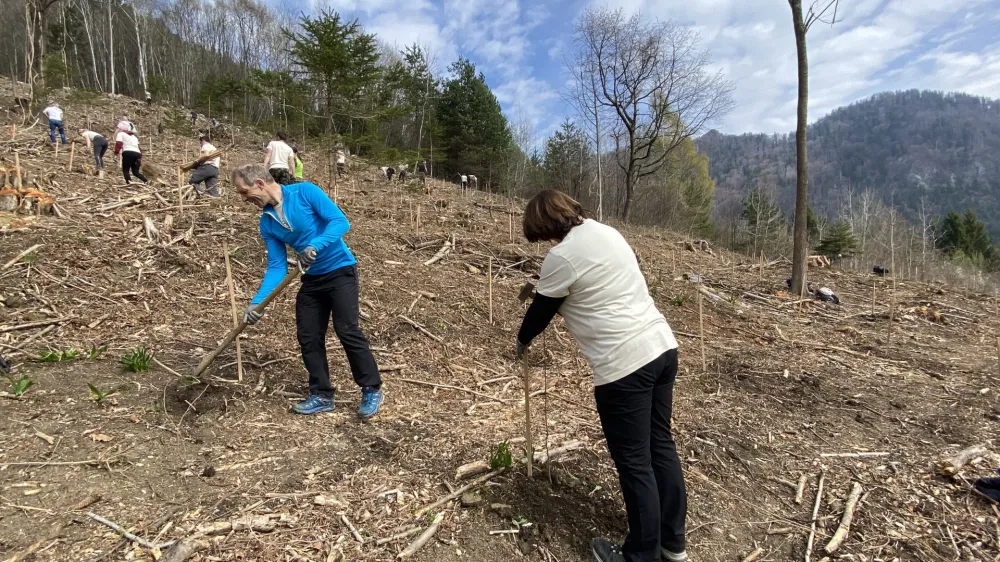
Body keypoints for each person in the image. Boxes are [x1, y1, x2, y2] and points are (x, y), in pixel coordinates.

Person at [515, 190, 688, 562]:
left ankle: (640, 554)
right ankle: (672, 544)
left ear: (546, 225)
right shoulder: (606, 232)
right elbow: (597, 289)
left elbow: (539, 315)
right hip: (661, 346)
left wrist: (520, 341)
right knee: (660, 446)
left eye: (543, 234)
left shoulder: (561, 256)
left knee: (635, 461)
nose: (546, 242)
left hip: (624, 366)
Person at [232, 164, 384, 419]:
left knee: (347, 329)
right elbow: (277, 266)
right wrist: (256, 302)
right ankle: (322, 394)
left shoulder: (304, 192)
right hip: (312, 279)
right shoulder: (267, 222)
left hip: (340, 270)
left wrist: (314, 245)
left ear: (259, 183)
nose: (244, 199)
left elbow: (340, 222)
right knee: (309, 335)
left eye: (244, 192)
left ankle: (371, 387)